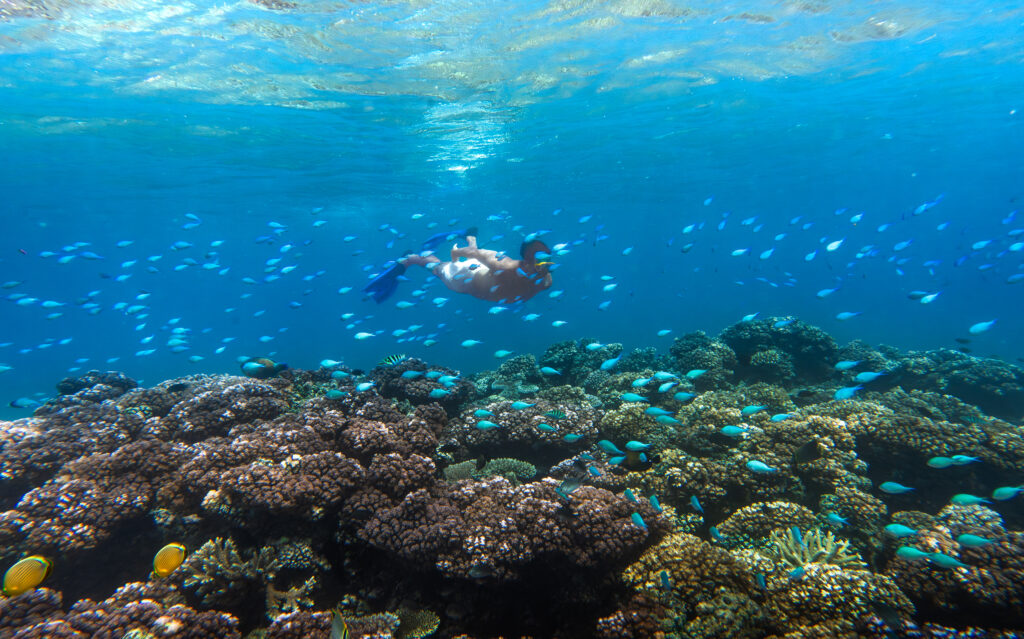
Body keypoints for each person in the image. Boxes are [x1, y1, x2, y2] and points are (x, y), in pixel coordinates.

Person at [362, 231, 553, 304]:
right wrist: (456, 254)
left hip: (482, 275)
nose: (545, 263)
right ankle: (412, 259)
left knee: (440, 265)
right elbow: (472, 254)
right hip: (466, 276)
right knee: (438, 269)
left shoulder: (546, 280)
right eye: (539, 258)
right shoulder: (505, 265)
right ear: (526, 261)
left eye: (547, 257)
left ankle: (466, 236)